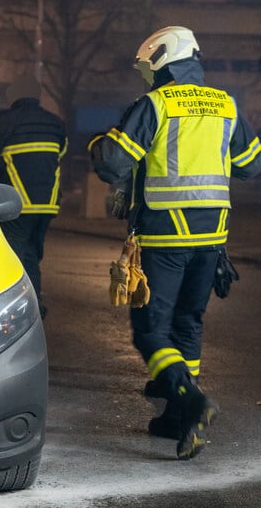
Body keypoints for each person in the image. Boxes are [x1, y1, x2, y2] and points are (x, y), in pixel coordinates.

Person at [88, 26, 261, 460]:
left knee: (149, 331)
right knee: (188, 323)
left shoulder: (155, 104)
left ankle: (191, 402)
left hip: (165, 235)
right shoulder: (226, 105)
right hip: (213, 238)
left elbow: (111, 166)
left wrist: (98, 142)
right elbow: (250, 166)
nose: (147, 76)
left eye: (149, 67)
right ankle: (176, 419)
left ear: (163, 59)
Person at [0, 73, 68, 318]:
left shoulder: (7, 122)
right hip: (47, 204)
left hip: (18, 203)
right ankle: (35, 304)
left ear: (13, 96)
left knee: (15, 254)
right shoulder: (55, 123)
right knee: (32, 253)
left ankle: (20, 309)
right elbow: (60, 153)